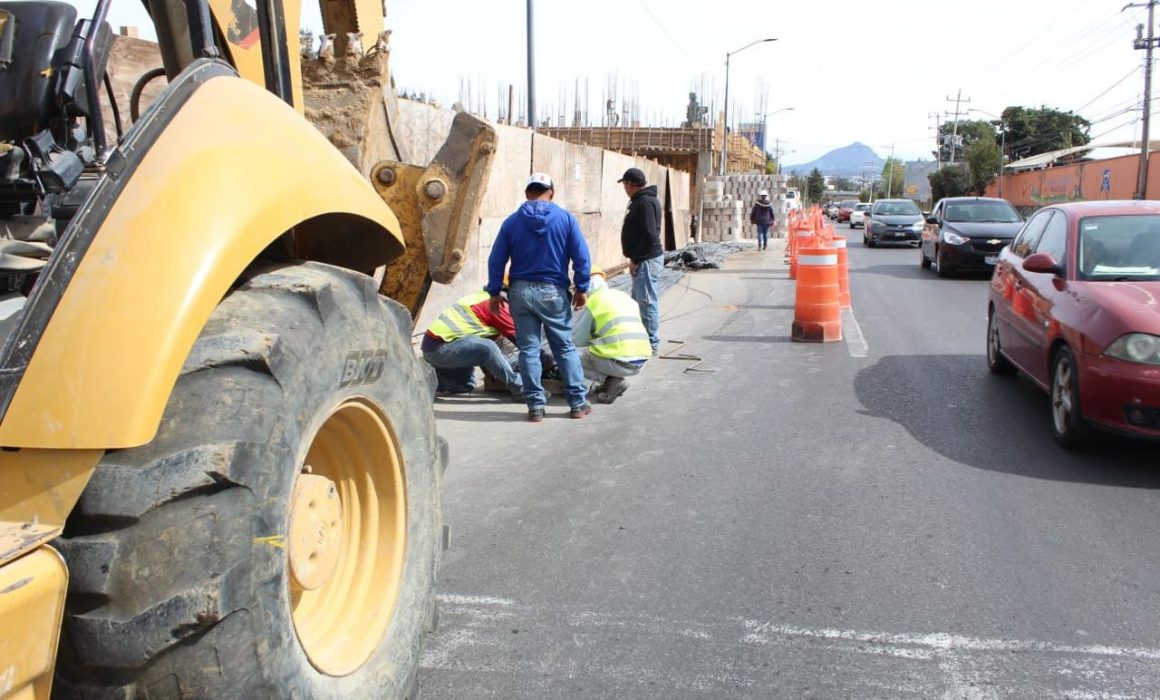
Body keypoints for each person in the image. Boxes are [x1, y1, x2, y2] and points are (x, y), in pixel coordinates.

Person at [487, 172, 593, 422]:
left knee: (528, 350)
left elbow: (496, 259)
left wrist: (493, 291)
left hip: (520, 292)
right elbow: (581, 256)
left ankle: (535, 407)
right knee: (564, 347)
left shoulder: (512, 223)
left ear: (527, 193)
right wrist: (581, 287)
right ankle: (577, 403)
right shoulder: (566, 219)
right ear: (551, 193)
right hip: (553, 293)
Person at [421, 288, 522, 398]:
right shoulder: (498, 305)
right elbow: (524, 343)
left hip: (446, 346)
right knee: (487, 348)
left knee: (464, 385)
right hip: (439, 348)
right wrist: (542, 359)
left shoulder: (489, 297)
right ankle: (521, 388)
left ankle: (424, 382)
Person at [572, 269, 651, 404]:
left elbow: (577, 340)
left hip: (619, 361)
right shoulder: (624, 297)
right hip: (641, 360)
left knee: (568, 355)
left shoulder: (593, 302)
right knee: (605, 349)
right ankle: (609, 383)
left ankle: (611, 381)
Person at [618, 167, 663, 355]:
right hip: (645, 259)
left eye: (625, 184)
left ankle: (652, 343)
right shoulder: (643, 200)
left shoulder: (643, 202)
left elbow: (649, 234)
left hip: (646, 260)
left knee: (646, 302)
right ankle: (642, 339)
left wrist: (636, 259)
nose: (624, 188)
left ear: (631, 184)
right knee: (639, 302)